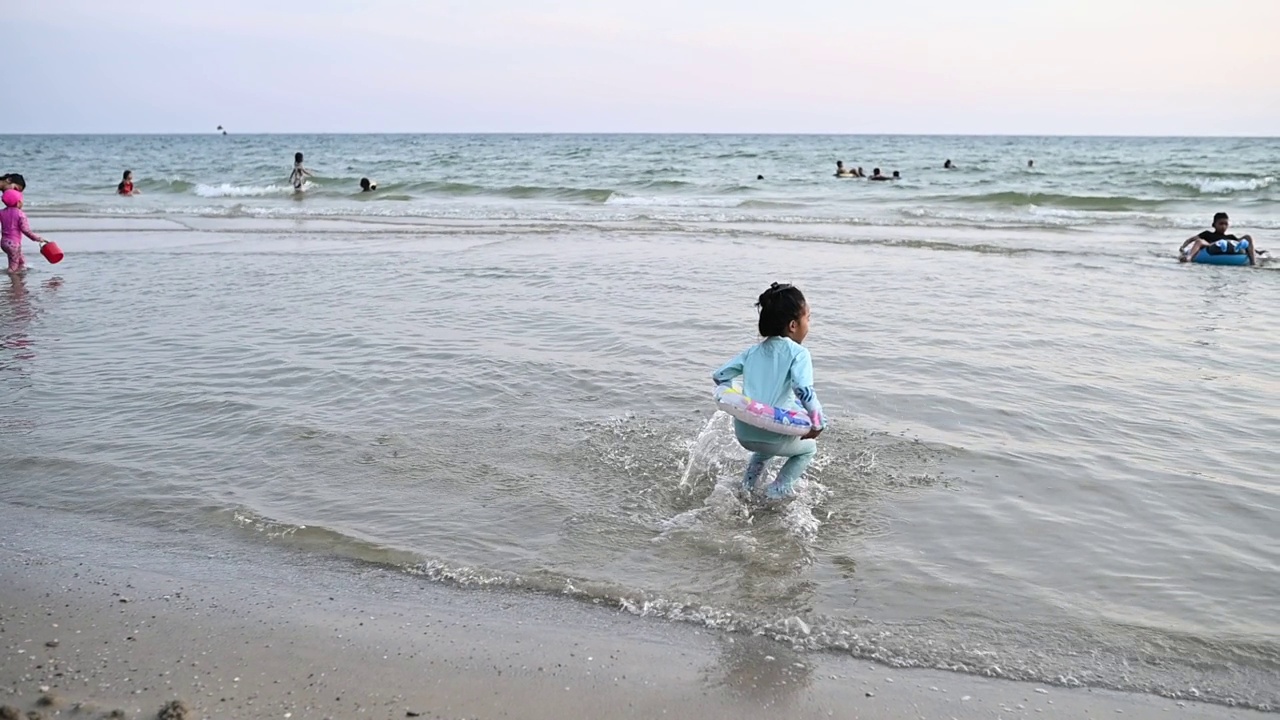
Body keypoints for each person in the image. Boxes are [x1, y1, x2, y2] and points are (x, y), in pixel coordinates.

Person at [711, 283, 826, 500]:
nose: (808, 325)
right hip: (773, 434)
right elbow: (803, 389)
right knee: (809, 449)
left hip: (745, 434)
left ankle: (747, 488)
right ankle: (778, 489)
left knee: (763, 451)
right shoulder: (799, 353)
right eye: (808, 319)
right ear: (793, 325)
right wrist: (817, 423)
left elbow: (719, 376)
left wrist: (736, 396)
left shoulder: (752, 352)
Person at [1179, 212, 1259, 265]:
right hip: (1211, 246)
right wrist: (1183, 247)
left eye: (1225, 224)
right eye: (1220, 224)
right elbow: (1191, 239)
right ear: (1214, 225)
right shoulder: (1208, 234)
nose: (1223, 226)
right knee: (1200, 241)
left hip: (1229, 246)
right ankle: (1188, 258)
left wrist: (1257, 252)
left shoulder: (1230, 237)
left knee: (1248, 237)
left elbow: (1243, 245)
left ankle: (1253, 262)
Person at [1, 189, 50, 275]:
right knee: (13, 267)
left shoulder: (1, 213)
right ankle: (12, 282)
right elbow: (25, 230)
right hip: (14, 244)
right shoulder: (20, 214)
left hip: (4, 243)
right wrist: (38, 238)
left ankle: (20, 278)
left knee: (21, 261)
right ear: (18, 202)